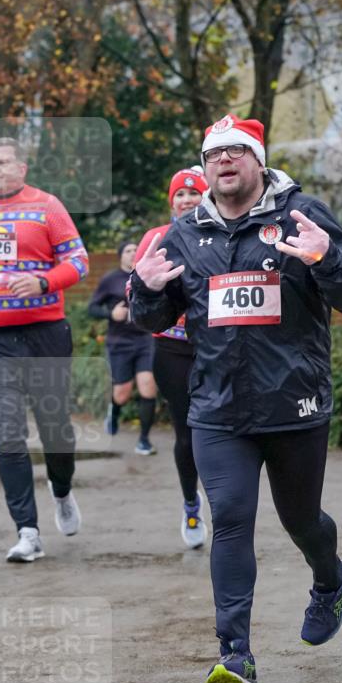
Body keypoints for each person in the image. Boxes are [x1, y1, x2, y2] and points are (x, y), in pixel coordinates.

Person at [130, 114, 342, 683]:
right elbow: (155, 319)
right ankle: (235, 654)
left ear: (259, 161)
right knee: (232, 520)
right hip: (218, 410)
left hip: (294, 405)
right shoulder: (184, 234)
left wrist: (326, 259)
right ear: (204, 167)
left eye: (236, 151)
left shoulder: (301, 215)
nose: (224, 161)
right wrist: (144, 289)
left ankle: (330, 579)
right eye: (214, 154)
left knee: (301, 520)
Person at [0, 137, 88, 562]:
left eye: (3, 162)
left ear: (22, 168)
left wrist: (43, 282)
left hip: (44, 335)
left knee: (55, 429)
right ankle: (27, 531)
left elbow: (79, 261)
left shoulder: (46, 206)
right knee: (7, 436)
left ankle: (62, 490)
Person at [134, 167, 209, 547]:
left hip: (218, 347)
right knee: (187, 432)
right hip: (172, 348)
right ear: (171, 202)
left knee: (222, 429)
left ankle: (228, 504)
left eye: (194, 193)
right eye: (180, 194)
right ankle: (191, 502)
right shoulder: (156, 238)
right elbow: (135, 291)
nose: (187, 199)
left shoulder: (222, 234)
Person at [88, 240, 157, 456]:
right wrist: (111, 314)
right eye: (128, 250)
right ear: (120, 256)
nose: (133, 253)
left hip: (145, 340)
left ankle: (144, 441)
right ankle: (114, 412)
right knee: (122, 394)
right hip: (119, 343)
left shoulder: (146, 275)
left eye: (136, 249)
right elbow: (92, 308)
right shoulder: (110, 279)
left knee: (148, 386)